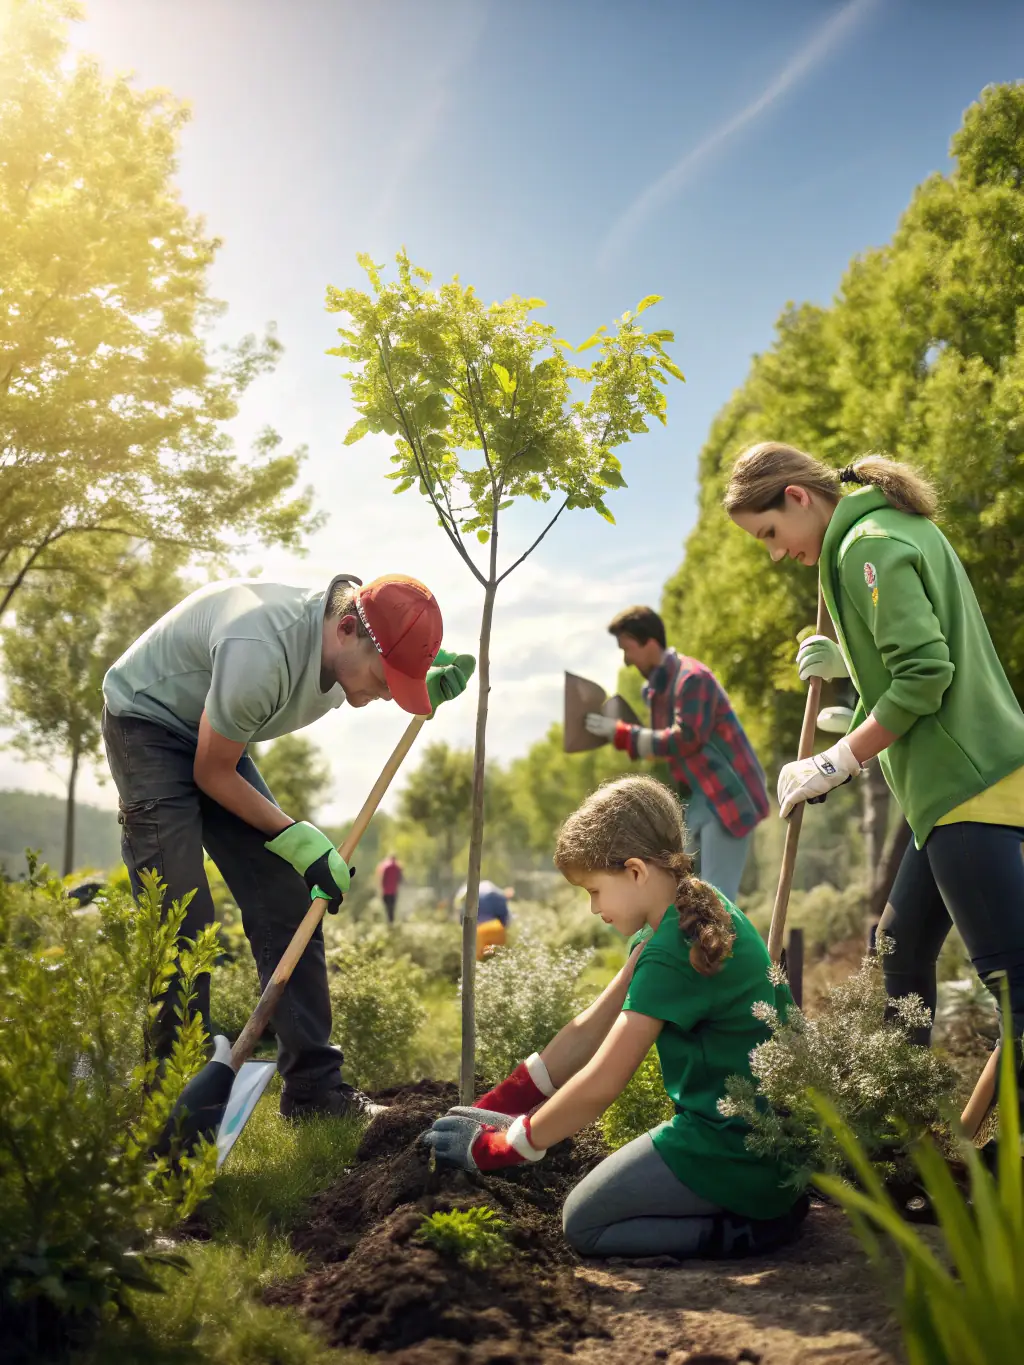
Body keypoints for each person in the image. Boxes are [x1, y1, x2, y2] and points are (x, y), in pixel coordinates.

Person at [102, 571, 473, 1121]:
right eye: (383, 678)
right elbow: (212, 770)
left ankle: (314, 1094)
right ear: (346, 629)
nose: (383, 696)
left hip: (214, 729)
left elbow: (391, 638)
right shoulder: (262, 652)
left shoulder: (348, 638)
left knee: (288, 899)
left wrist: (418, 671)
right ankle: (169, 1102)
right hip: (148, 725)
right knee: (181, 912)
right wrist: (298, 840)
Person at [726, 441, 1024, 1119]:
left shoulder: (869, 545)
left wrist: (839, 759)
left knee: (1015, 987)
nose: (775, 553)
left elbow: (924, 675)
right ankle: (902, 1133)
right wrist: (854, 682)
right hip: (948, 790)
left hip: (967, 786)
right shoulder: (889, 529)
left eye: (770, 533)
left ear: (797, 497)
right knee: (900, 949)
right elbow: (900, 672)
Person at [423, 776, 807, 1259]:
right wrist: (501, 1105)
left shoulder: (674, 948)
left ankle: (747, 1231)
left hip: (733, 1146)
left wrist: (501, 1147)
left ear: (635, 871)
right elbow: (589, 1030)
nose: (592, 907)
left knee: (583, 1223)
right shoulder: (689, 911)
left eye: (595, 890)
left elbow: (603, 1082)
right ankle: (756, 1208)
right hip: (766, 1139)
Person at [583, 606, 768, 903]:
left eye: (628, 649)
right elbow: (662, 747)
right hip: (696, 798)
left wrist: (622, 733)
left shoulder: (691, 679)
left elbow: (685, 739)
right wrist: (621, 737)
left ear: (651, 644)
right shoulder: (658, 689)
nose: (627, 660)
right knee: (687, 893)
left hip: (726, 795)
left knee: (718, 898)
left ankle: (729, 950)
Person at [455, 878, 513, 959]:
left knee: (481, 959)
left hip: (479, 930)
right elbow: (506, 916)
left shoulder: (469, 896)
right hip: (497, 928)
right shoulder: (496, 894)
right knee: (497, 958)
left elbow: (463, 919)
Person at [377, 853, 403, 925]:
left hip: (386, 891)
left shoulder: (385, 866)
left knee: (387, 908)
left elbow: (382, 879)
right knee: (392, 908)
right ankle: (391, 922)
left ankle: (388, 923)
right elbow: (400, 879)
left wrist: (381, 888)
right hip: (394, 891)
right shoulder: (398, 867)